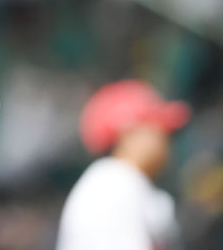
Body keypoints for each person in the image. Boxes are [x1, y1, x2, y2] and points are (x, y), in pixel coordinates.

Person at [55, 79, 191, 250]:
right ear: (128, 132)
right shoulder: (113, 184)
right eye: (156, 126)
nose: (165, 137)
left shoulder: (122, 182)